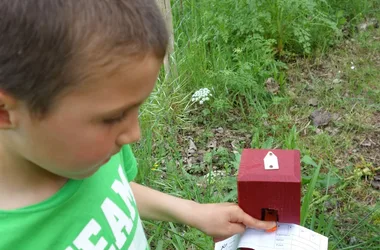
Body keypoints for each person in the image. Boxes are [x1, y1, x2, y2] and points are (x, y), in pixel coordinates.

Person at [0, 1, 276, 249]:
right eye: (113, 117)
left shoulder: (89, 154)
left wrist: (193, 212)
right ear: (5, 111)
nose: (134, 134)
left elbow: (114, 188)